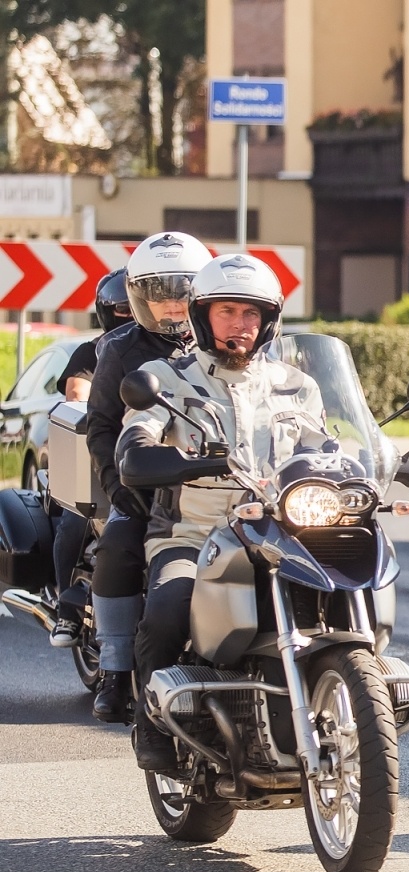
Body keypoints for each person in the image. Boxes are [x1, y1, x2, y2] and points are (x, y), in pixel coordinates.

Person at [119, 253, 325, 772]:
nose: (241, 324)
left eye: (251, 313)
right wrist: (175, 460)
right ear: (202, 316)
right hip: (193, 534)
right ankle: (152, 724)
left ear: (269, 320)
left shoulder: (296, 386)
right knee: (168, 606)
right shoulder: (163, 379)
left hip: (283, 532)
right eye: (227, 311)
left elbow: (328, 451)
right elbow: (134, 445)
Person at [85, 232, 212, 724]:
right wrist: (120, 487)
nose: (171, 304)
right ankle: (117, 671)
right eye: (158, 292)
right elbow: (100, 425)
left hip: (226, 483)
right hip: (145, 482)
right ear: (139, 297)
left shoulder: (228, 338)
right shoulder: (120, 347)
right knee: (118, 542)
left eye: (181, 290)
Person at [48, 269, 132, 648]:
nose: (133, 315)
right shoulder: (93, 352)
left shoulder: (184, 347)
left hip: (160, 454)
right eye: (124, 310)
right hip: (104, 454)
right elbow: (77, 394)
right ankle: (65, 608)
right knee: (76, 517)